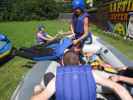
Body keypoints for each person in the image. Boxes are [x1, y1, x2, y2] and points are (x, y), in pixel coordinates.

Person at [31, 51, 133, 100]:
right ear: (79, 63)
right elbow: (118, 87)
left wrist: (38, 90)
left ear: (62, 64)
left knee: (38, 86)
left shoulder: (57, 79)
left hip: (56, 86)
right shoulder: (91, 73)